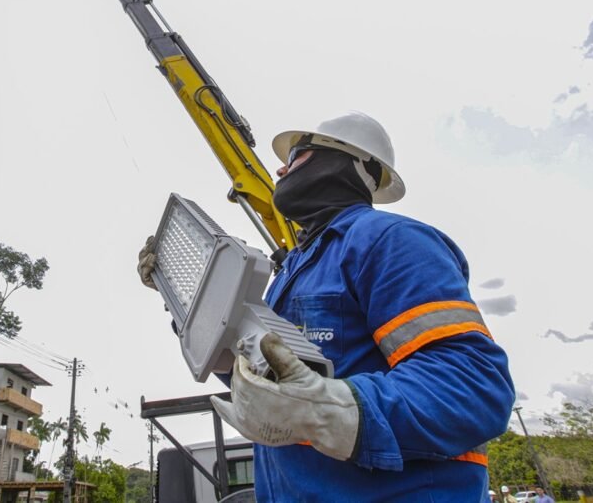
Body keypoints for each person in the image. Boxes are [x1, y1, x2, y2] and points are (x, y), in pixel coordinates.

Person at [137, 112, 514, 502]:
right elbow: (272, 381)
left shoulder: (389, 240)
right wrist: (182, 300)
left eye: (295, 155)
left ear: (347, 161)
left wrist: (326, 409)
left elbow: (472, 386)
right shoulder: (294, 271)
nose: (280, 169)